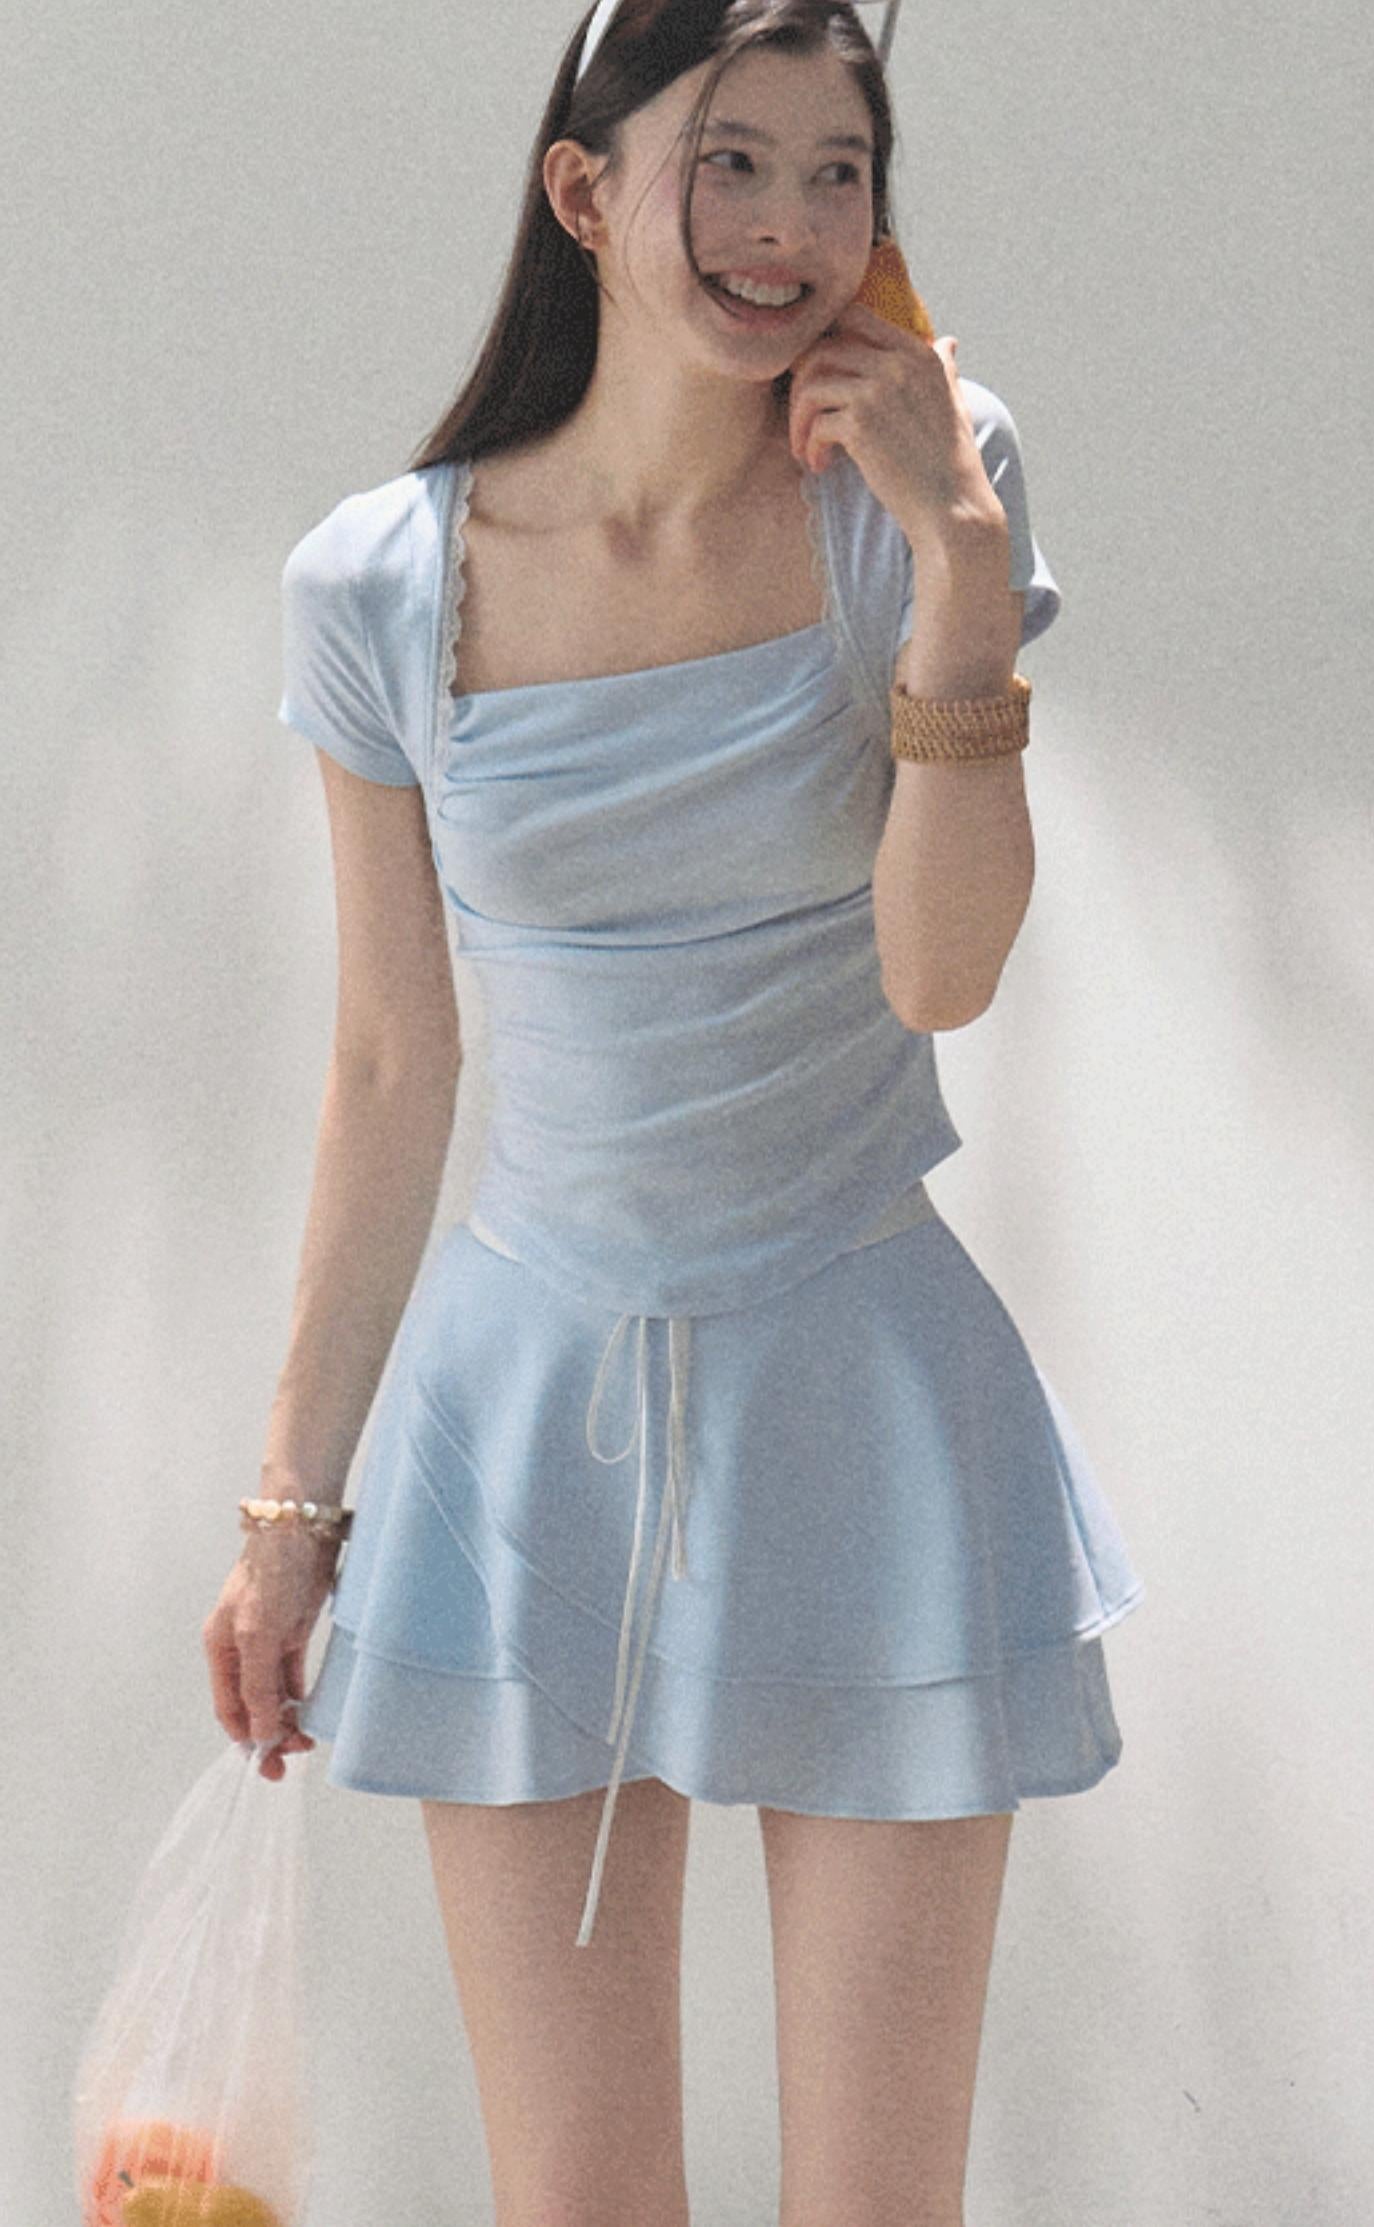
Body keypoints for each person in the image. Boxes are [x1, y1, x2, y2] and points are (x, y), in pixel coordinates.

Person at [202, 4, 1146, 2222]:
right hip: (522, 1426)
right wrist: (290, 1509)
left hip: (868, 1395)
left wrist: (959, 566)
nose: (790, 226)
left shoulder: (923, 501)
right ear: (584, 190)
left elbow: (943, 974)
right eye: (732, 160)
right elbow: (391, 1063)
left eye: (840, 171)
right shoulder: (379, 582)